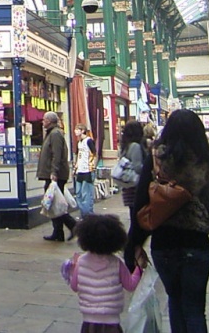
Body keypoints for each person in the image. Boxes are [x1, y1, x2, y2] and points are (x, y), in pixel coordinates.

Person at [125, 109, 209, 333]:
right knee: (194, 308)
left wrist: (133, 244)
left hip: (164, 245)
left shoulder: (157, 162)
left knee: (175, 301)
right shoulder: (208, 165)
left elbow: (141, 206)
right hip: (197, 246)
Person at [63, 214, 142, 332]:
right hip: (111, 322)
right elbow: (130, 285)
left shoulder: (81, 261)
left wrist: (72, 270)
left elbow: (75, 287)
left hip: (89, 321)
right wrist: (139, 268)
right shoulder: (117, 263)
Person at [37, 111, 78, 241]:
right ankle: (58, 232)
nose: (42, 121)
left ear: (49, 121)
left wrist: (54, 172)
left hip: (56, 175)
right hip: (53, 174)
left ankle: (74, 226)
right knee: (53, 203)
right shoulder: (52, 133)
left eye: (44, 119)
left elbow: (57, 154)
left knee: (55, 204)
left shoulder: (55, 134)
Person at [117, 121, 147, 220]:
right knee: (137, 218)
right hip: (136, 188)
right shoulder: (135, 146)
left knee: (134, 216)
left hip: (129, 188)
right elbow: (138, 167)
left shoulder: (126, 146)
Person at [72, 123, 96, 217]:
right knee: (78, 193)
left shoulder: (89, 141)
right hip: (80, 170)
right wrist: (75, 168)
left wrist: (92, 167)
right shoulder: (79, 143)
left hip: (87, 170)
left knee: (86, 193)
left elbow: (94, 153)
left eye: (78, 129)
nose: (75, 131)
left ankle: (88, 214)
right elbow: (79, 156)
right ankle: (84, 213)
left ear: (82, 131)